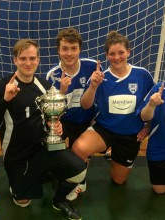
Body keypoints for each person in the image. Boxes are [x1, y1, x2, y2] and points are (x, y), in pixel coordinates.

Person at [0, 39, 86, 220]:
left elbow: (50, 115)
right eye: (23, 58)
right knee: (23, 202)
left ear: (38, 60)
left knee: (80, 169)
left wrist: (55, 124)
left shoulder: (44, 86)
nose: (28, 63)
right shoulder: (2, 86)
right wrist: (6, 100)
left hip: (43, 148)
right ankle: (21, 182)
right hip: (17, 156)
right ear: (15, 60)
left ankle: (59, 200)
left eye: (32, 58)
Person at [72, 31, 154, 185]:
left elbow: (153, 102)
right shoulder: (100, 77)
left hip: (130, 136)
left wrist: (148, 126)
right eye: (112, 54)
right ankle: (79, 183)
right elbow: (85, 105)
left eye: (121, 52)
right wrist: (93, 86)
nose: (117, 57)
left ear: (128, 52)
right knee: (79, 148)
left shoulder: (143, 75)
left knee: (118, 180)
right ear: (107, 55)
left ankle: (115, 154)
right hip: (105, 130)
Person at [46, 27, 101, 200]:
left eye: (73, 48)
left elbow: (87, 105)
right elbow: (53, 111)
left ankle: (81, 177)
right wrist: (62, 91)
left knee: (82, 151)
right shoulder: (52, 75)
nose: (69, 53)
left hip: (85, 118)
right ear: (58, 50)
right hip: (63, 120)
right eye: (65, 48)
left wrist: (93, 84)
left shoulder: (92, 67)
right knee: (56, 150)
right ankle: (61, 173)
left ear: (80, 49)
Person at [138, 82, 165, 194]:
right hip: (160, 149)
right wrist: (151, 105)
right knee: (159, 190)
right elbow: (144, 117)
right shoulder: (160, 89)